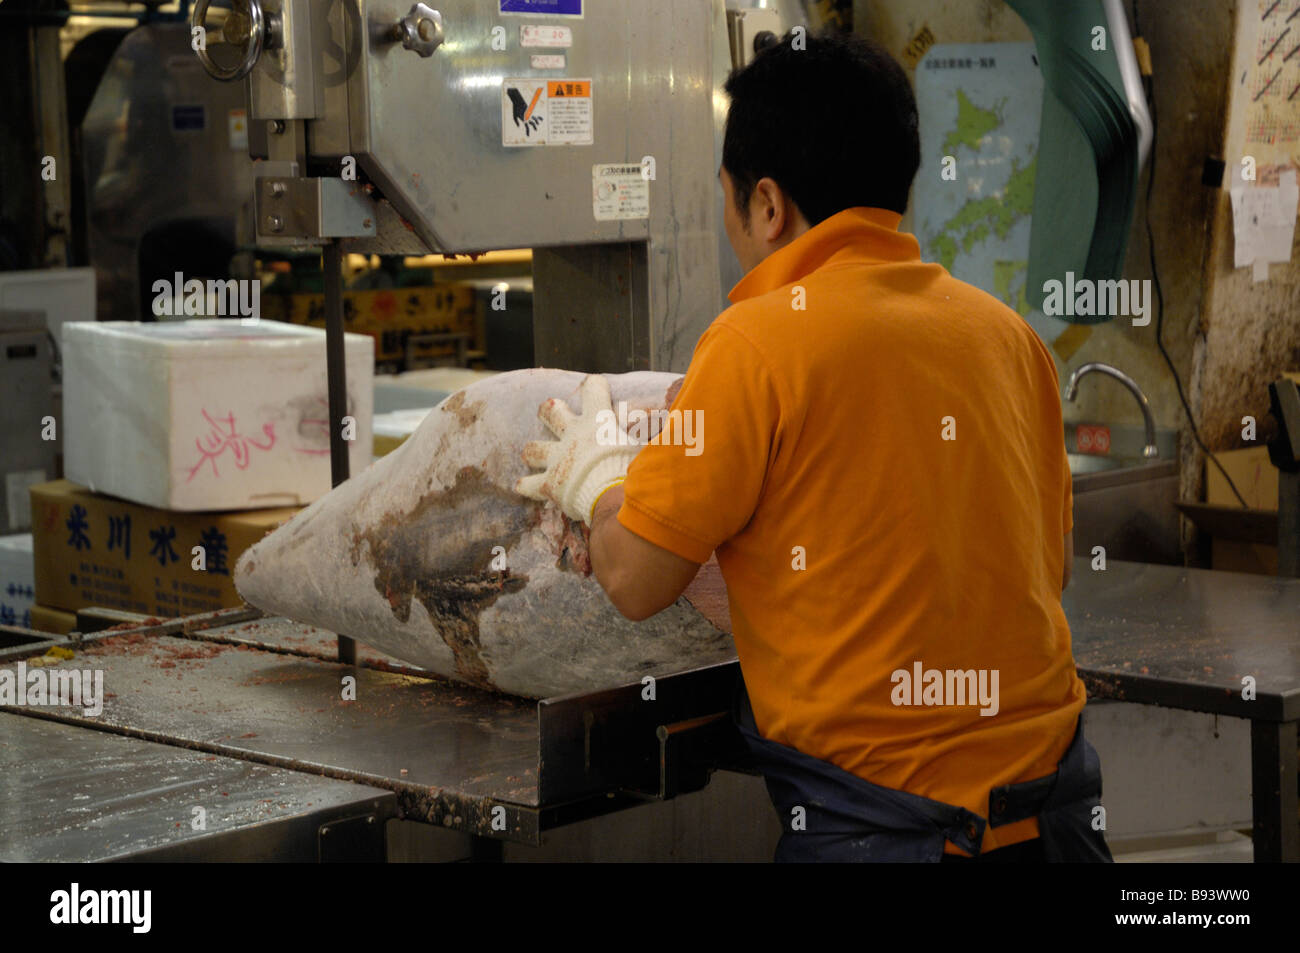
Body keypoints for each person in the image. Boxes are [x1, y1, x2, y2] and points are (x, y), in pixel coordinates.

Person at [516, 31, 1111, 863]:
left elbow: (635, 577)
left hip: (893, 832)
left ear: (766, 205)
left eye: (727, 201)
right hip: (1056, 818)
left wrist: (597, 475)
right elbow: (1049, 568)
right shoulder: (1008, 336)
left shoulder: (757, 342)